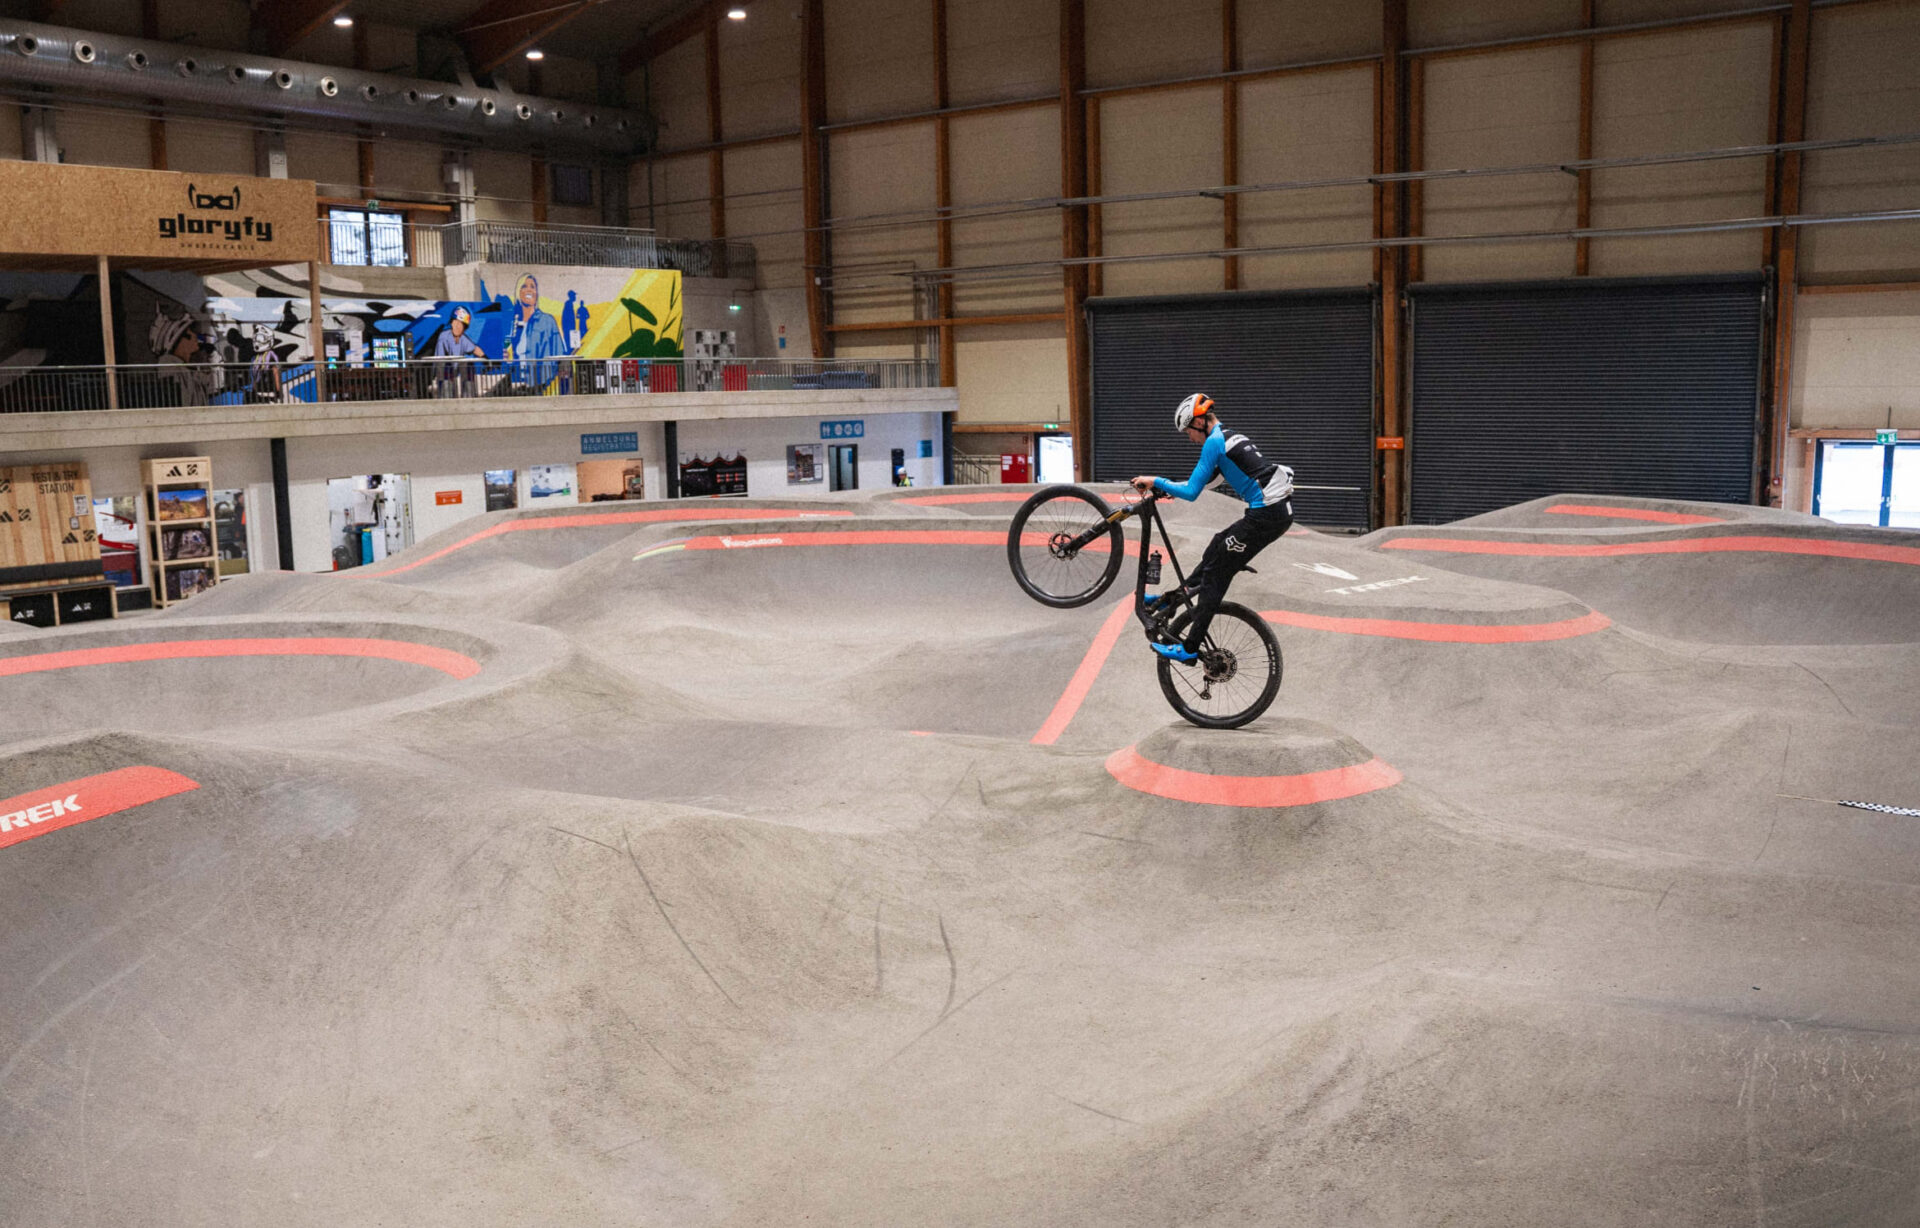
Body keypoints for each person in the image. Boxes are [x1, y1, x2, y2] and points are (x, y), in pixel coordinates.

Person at [1130, 393, 1294, 664]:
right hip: (1274, 513)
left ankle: (1190, 648)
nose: (1190, 439)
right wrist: (1167, 488)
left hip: (1266, 516)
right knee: (1218, 544)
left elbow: (1192, 491)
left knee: (1215, 576)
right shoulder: (1229, 437)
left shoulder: (1214, 442)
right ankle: (1171, 600)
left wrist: (1155, 480)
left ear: (1199, 422)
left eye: (1188, 432)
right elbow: (1209, 482)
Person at [504, 273, 561, 391]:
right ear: (518, 292)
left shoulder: (547, 321)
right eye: (524, 286)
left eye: (532, 287)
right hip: (517, 384)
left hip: (541, 385)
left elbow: (559, 354)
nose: (529, 290)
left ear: (537, 293)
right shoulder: (512, 323)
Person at [433, 306, 489, 396]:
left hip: (454, 369)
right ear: (451, 323)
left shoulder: (463, 338)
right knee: (446, 379)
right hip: (443, 369)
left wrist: (485, 358)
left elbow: (474, 348)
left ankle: (468, 396)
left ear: (464, 327)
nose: (457, 326)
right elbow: (440, 357)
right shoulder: (444, 336)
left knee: (468, 366)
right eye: (455, 322)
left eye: (460, 324)